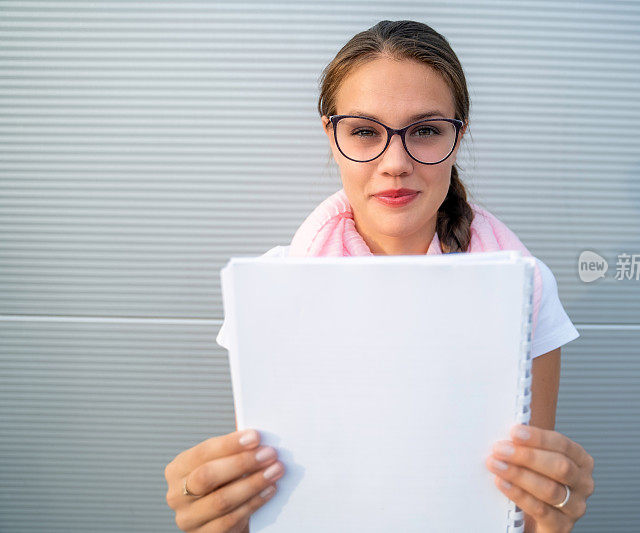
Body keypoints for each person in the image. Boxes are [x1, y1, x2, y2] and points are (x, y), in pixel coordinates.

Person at [164, 20, 595, 533]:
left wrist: (552, 518)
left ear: (459, 136)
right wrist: (221, 515)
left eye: (426, 130)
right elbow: (271, 492)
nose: (395, 163)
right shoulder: (269, 291)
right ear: (332, 134)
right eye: (365, 131)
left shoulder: (524, 286)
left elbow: (526, 507)